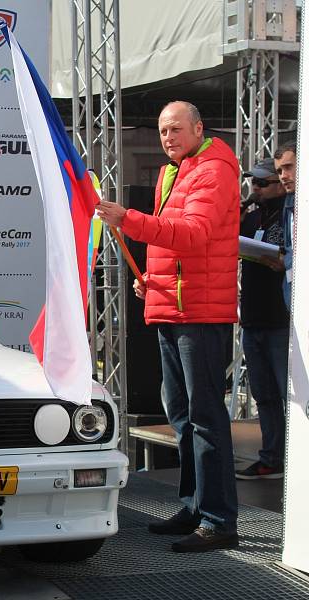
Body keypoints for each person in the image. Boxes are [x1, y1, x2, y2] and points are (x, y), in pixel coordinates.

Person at [96, 101, 240, 552]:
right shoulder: (174, 171)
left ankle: (217, 519)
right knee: (181, 416)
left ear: (199, 128)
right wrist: (155, 282)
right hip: (175, 308)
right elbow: (180, 246)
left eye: (176, 128)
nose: (167, 137)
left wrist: (128, 220)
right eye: (162, 130)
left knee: (204, 418)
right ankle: (196, 507)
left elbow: (194, 234)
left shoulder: (213, 170)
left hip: (200, 313)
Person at [235, 159, 290, 480]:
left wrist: (284, 259)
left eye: (262, 183)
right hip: (253, 316)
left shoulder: (290, 214)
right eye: (252, 184)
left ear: (281, 183)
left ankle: (295, 456)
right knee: (264, 395)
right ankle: (272, 457)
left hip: (281, 318)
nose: (255, 189)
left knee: (289, 394)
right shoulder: (252, 215)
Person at [274, 141, 296, 307]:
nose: (283, 176)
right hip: (293, 301)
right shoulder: (289, 201)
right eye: (279, 171)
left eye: (288, 167)